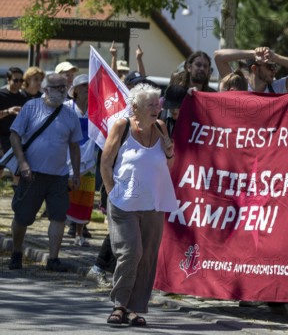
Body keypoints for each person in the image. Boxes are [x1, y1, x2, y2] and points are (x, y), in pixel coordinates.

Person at [100, 83, 177, 326]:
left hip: (153, 202)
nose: (157, 108)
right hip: (124, 204)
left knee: (147, 257)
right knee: (131, 253)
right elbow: (105, 163)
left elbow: (167, 167)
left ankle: (134, 308)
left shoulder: (162, 128)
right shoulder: (121, 126)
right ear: (136, 107)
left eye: (158, 104)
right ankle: (119, 304)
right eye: (151, 104)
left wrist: (170, 153)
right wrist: (113, 193)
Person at [7, 73, 82, 272]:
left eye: (64, 88)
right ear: (46, 89)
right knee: (22, 217)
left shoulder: (70, 114)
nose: (63, 91)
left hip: (59, 175)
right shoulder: (31, 107)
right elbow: (14, 136)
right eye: (58, 88)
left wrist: (76, 173)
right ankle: (16, 253)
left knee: (58, 217)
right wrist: (22, 163)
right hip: (32, 173)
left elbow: (74, 147)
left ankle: (53, 259)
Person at [64, 74, 97, 247]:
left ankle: (79, 234)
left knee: (85, 198)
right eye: (83, 85)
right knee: (64, 197)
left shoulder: (96, 110)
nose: (87, 88)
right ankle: (59, 232)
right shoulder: (66, 107)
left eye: (88, 85)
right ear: (75, 90)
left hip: (89, 161)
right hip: (67, 159)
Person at [215, 47, 288, 93]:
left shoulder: (276, 88)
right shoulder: (238, 84)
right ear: (254, 68)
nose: (274, 71)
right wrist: (253, 53)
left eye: (275, 67)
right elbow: (218, 57)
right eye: (270, 67)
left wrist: (276, 57)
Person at [0, 67, 28, 155]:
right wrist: (9, 111)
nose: (19, 83)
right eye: (16, 80)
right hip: (2, 139)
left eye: (21, 80)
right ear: (8, 80)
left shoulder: (23, 97)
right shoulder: (1, 95)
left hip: (17, 139)